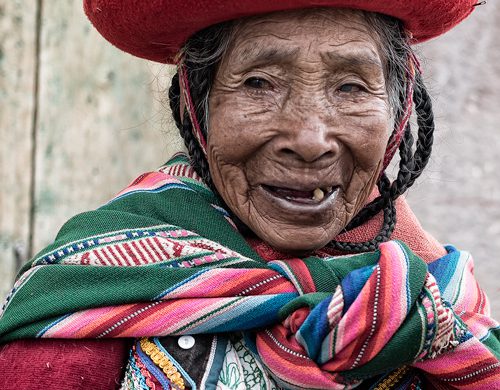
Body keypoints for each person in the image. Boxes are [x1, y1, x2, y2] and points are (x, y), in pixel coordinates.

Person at [0, 0, 498, 389]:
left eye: (350, 87)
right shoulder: (94, 292)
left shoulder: (442, 303)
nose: (309, 139)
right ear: (199, 101)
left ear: (399, 106)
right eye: (259, 83)